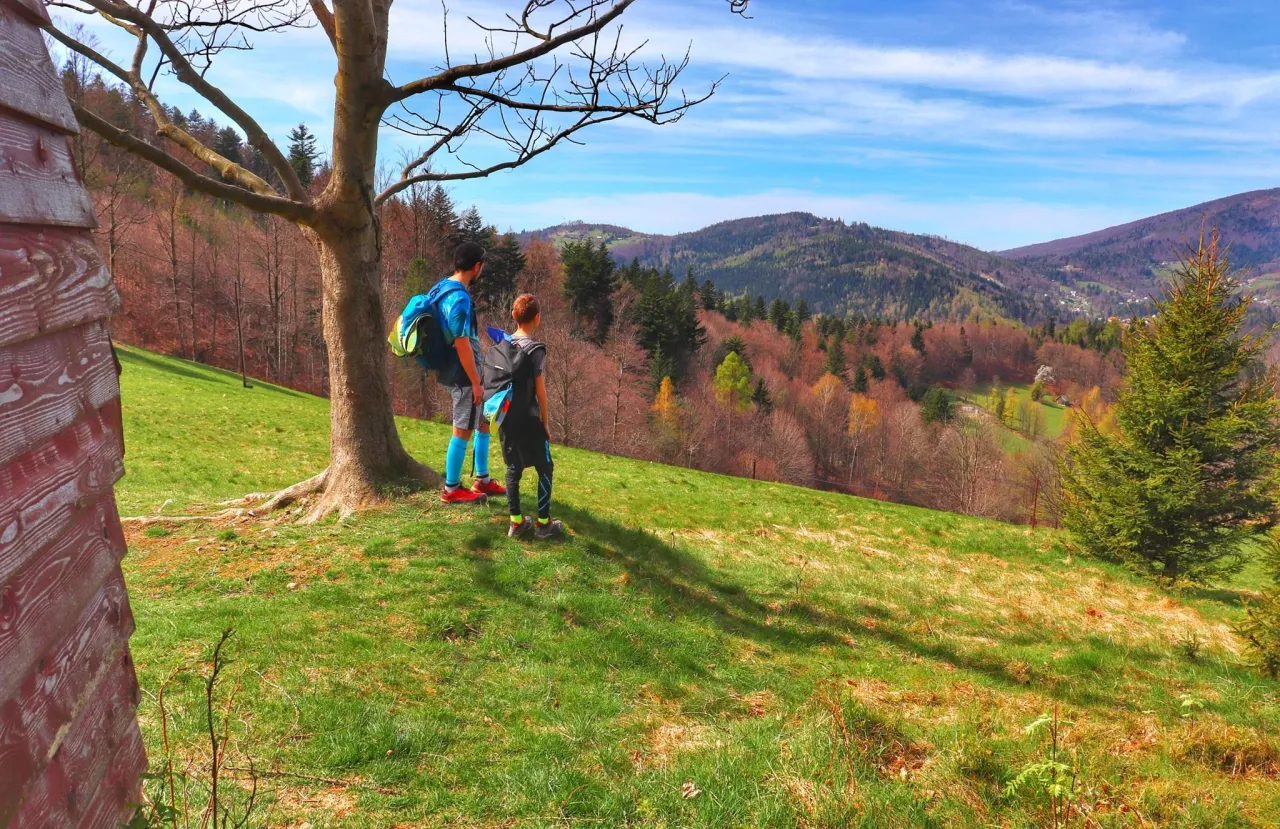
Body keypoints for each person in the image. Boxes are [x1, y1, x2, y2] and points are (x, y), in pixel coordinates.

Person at [431, 242, 506, 504]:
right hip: (463, 375)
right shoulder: (459, 298)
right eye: (482, 265)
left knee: (483, 421)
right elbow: (461, 342)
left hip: (462, 371)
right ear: (476, 267)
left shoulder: (442, 287)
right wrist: (475, 381)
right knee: (462, 429)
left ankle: (482, 478)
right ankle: (451, 489)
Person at [500, 294, 563, 539]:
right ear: (536, 318)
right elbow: (541, 392)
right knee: (545, 467)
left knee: (513, 468)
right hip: (530, 419)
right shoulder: (534, 351)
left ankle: (516, 523)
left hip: (506, 418)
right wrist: (545, 422)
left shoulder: (501, 346)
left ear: (513, 316)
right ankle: (543, 525)